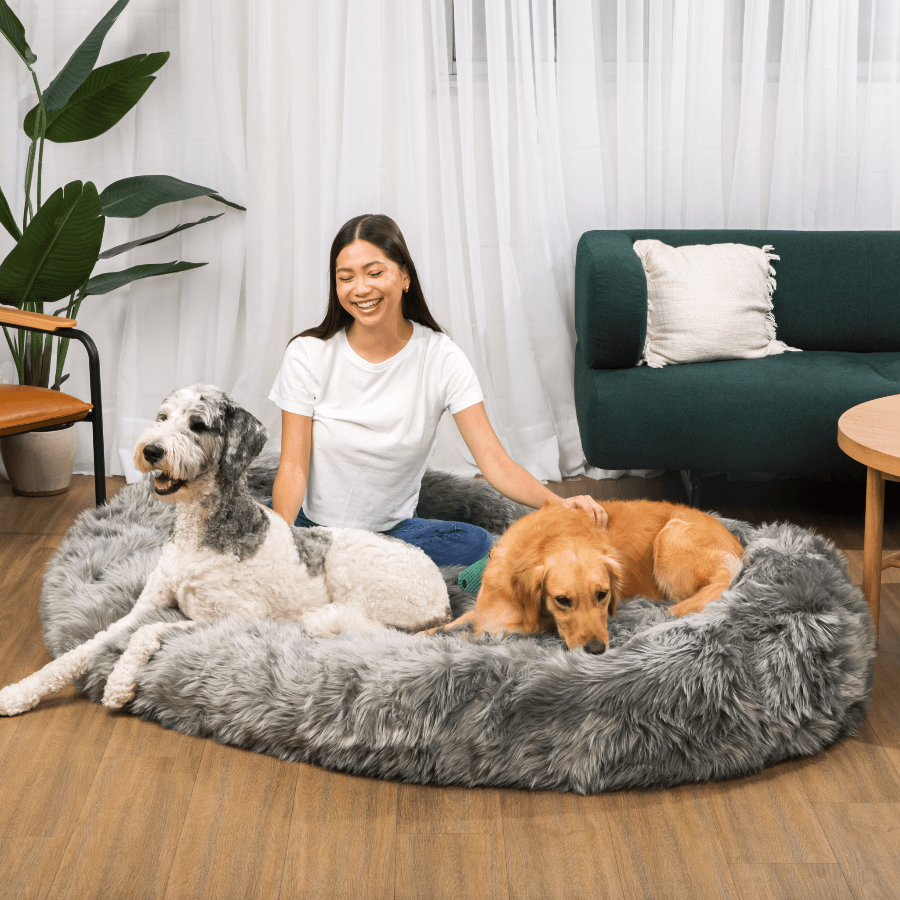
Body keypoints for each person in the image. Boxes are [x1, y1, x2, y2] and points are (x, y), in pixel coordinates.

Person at [269, 213, 606, 568]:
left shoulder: (441, 356)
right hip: (317, 530)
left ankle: (351, 569)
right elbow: (293, 468)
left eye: (374, 272)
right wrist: (280, 540)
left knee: (475, 543)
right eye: (345, 278)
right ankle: (353, 568)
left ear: (404, 278)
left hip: (394, 533)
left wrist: (559, 504)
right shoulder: (308, 353)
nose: (360, 288)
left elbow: (494, 461)